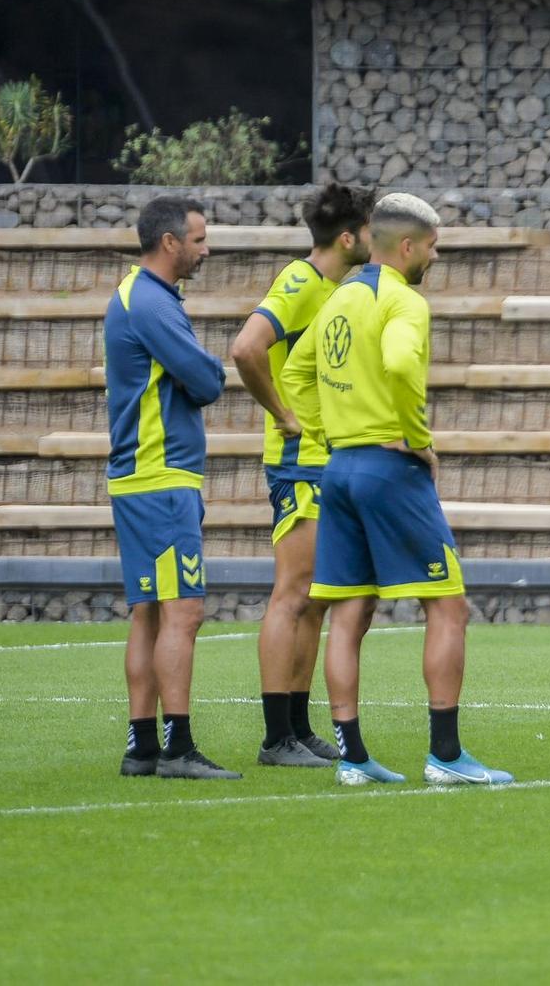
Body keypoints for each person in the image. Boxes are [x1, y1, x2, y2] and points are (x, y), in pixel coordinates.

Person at [283, 191, 512, 787]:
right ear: (406, 246)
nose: (435, 257)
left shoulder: (337, 301)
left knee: (350, 610)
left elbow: (294, 372)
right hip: (389, 469)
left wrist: (328, 429)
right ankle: (445, 755)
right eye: (432, 246)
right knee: (449, 605)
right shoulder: (404, 302)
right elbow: (404, 364)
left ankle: (353, 760)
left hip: (339, 470)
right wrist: (416, 438)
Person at [229, 184, 373, 767]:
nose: (374, 239)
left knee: (314, 597)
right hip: (299, 463)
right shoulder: (299, 281)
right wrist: (282, 415)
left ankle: (297, 723)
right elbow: (246, 348)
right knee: (291, 594)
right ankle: (274, 737)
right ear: (348, 237)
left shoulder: (335, 289)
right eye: (368, 229)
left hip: (326, 460)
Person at [105, 197, 236, 779]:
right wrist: (210, 371)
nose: (206, 250)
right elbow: (206, 378)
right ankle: (178, 748)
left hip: (145, 477)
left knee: (149, 615)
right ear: (169, 242)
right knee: (184, 611)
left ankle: (142, 748)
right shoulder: (152, 303)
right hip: (160, 478)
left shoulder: (140, 295)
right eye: (199, 239)